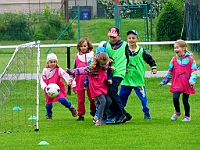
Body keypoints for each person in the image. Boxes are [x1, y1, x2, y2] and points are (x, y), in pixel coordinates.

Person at [119, 30, 157, 120]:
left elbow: (150, 59)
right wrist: (122, 68)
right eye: (129, 38)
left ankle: (146, 113)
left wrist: (153, 67)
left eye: (133, 38)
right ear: (127, 39)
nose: (131, 40)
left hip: (138, 80)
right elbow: (119, 61)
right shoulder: (123, 50)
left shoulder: (141, 51)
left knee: (143, 99)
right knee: (121, 99)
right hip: (126, 80)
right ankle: (120, 113)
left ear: (137, 39)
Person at [67, 52, 113, 126]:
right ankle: (99, 120)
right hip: (96, 88)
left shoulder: (105, 66)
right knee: (103, 101)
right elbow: (81, 70)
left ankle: (103, 115)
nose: (104, 66)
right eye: (103, 64)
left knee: (109, 101)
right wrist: (71, 71)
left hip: (103, 87)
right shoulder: (92, 69)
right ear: (98, 62)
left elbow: (106, 68)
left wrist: (110, 68)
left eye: (105, 64)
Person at [159, 39, 197, 122]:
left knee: (185, 100)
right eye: (174, 48)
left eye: (177, 47)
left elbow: (194, 71)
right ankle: (177, 111)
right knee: (175, 98)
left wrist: (192, 80)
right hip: (177, 84)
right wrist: (164, 81)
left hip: (187, 84)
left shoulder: (191, 60)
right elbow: (170, 72)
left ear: (183, 48)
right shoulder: (173, 59)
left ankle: (187, 116)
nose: (175, 49)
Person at [103, 26, 131, 123]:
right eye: (111, 37)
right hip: (110, 72)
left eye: (114, 37)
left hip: (119, 71)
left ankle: (121, 114)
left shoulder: (124, 45)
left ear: (118, 36)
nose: (112, 39)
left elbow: (128, 57)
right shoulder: (106, 45)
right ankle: (121, 114)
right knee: (111, 92)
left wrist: (126, 67)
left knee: (111, 90)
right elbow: (102, 57)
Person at [40, 53, 77, 120]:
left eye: (54, 62)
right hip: (49, 90)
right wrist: (45, 88)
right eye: (51, 62)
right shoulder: (45, 71)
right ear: (47, 62)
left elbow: (66, 76)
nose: (53, 63)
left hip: (58, 89)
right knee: (48, 105)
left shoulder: (59, 69)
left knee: (62, 100)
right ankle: (49, 115)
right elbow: (42, 81)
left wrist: (74, 85)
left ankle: (71, 107)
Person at [69, 38, 96, 121]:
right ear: (79, 47)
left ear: (88, 46)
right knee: (80, 99)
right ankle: (80, 114)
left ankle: (93, 111)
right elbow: (74, 69)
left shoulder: (92, 55)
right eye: (81, 46)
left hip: (90, 80)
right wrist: (71, 78)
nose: (83, 48)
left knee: (92, 97)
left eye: (85, 46)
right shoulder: (77, 56)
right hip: (79, 80)